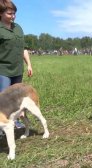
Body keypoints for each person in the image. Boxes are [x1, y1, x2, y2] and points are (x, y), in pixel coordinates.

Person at [0, 0, 33, 129]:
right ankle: (3, 124)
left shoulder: (18, 28)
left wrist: (29, 65)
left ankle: (16, 121)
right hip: (3, 70)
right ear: (1, 14)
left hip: (18, 69)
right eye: (9, 13)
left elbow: (23, 49)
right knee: (4, 99)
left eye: (14, 13)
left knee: (17, 98)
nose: (13, 16)